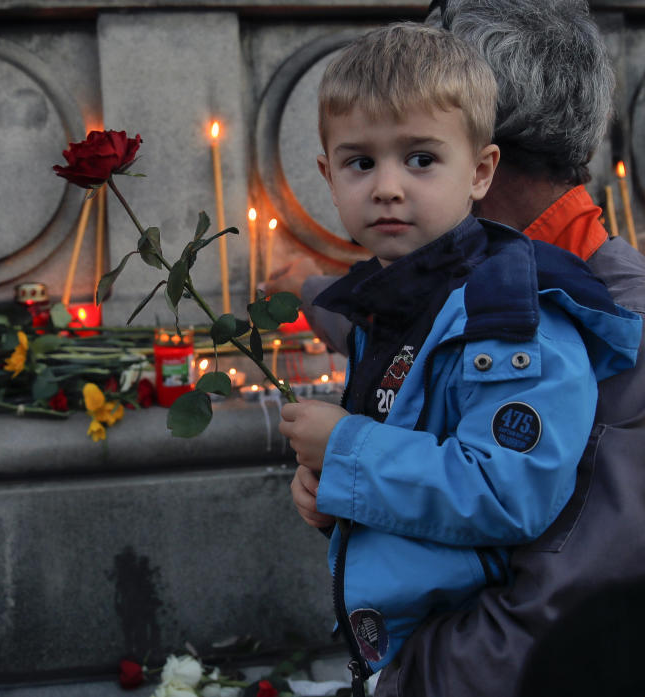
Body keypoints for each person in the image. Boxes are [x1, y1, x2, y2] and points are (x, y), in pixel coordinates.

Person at [277, 2, 645, 695]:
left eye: (417, 153)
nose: (387, 188)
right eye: (361, 159)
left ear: (480, 159)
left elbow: (555, 612)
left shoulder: (576, 310)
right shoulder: (453, 285)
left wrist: (400, 678)